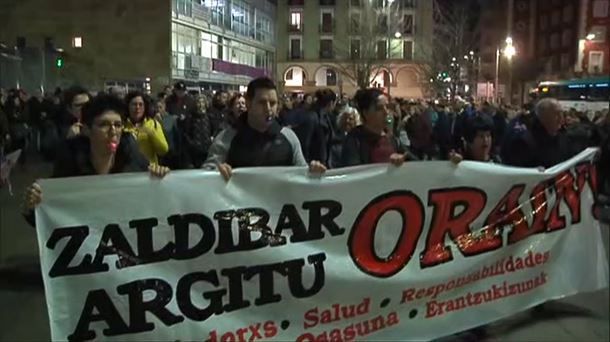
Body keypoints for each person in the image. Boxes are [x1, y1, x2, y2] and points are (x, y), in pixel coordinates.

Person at [23, 94, 170, 226]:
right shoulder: (70, 163)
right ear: (87, 130)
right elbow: (53, 217)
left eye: (118, 125)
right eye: (104, 125)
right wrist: (33, 206)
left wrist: (160, 177)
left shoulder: (133, 160)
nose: (113, 132)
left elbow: (154, 206)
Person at [203, 77, 325, 180]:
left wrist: (312, 171)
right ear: (248, 103)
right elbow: (203, 178)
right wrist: (216, 173)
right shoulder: (226, 139)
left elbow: (302, 173)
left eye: (273, 103)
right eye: (262, 103)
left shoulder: (289, 137)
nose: (268, 109)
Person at [340, 88, 416, 167]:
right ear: (365, 113)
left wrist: (402, 160)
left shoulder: (392, 140)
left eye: (387, 107)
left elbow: (416, 163)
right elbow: (353, 172)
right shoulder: (355, 140)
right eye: (379, 108)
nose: (386, 112)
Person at [502, 98, 573, 168]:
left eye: (562, 114)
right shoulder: (523, 142)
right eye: (556, 114)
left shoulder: (562, 137)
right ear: (543, 116)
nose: (561, 119)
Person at [124, 91, 169, 164]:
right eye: (134, 104)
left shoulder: (153, 124)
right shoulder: (122, 125)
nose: (137, 107)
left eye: (141, 104)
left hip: (150, 171)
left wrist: (151, 133)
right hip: (128, 170)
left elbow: (163, 150)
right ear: (128, 106)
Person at [182, 95, 213, 168]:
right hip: (195, 152)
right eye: (198, 102)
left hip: (207, 150)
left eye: (203, 102)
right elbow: (186, 134)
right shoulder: (191, 118)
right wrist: (192, 144)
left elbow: (214, 131)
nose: (201, 105)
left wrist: (211, 140)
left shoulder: (210, 117)